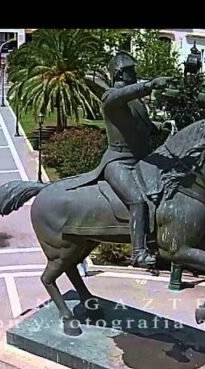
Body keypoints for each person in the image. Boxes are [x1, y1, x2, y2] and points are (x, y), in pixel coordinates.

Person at [63, 52, 173, 269]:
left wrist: (159, 128)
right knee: (137, 200)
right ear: (122, 73)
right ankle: (139, 253)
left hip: (142, 161)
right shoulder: (111, 98)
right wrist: (150, 85)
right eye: (132, 70)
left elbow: (141, 126)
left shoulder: (136, 103)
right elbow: (123, 95)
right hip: (119, 162)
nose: (136, 73)